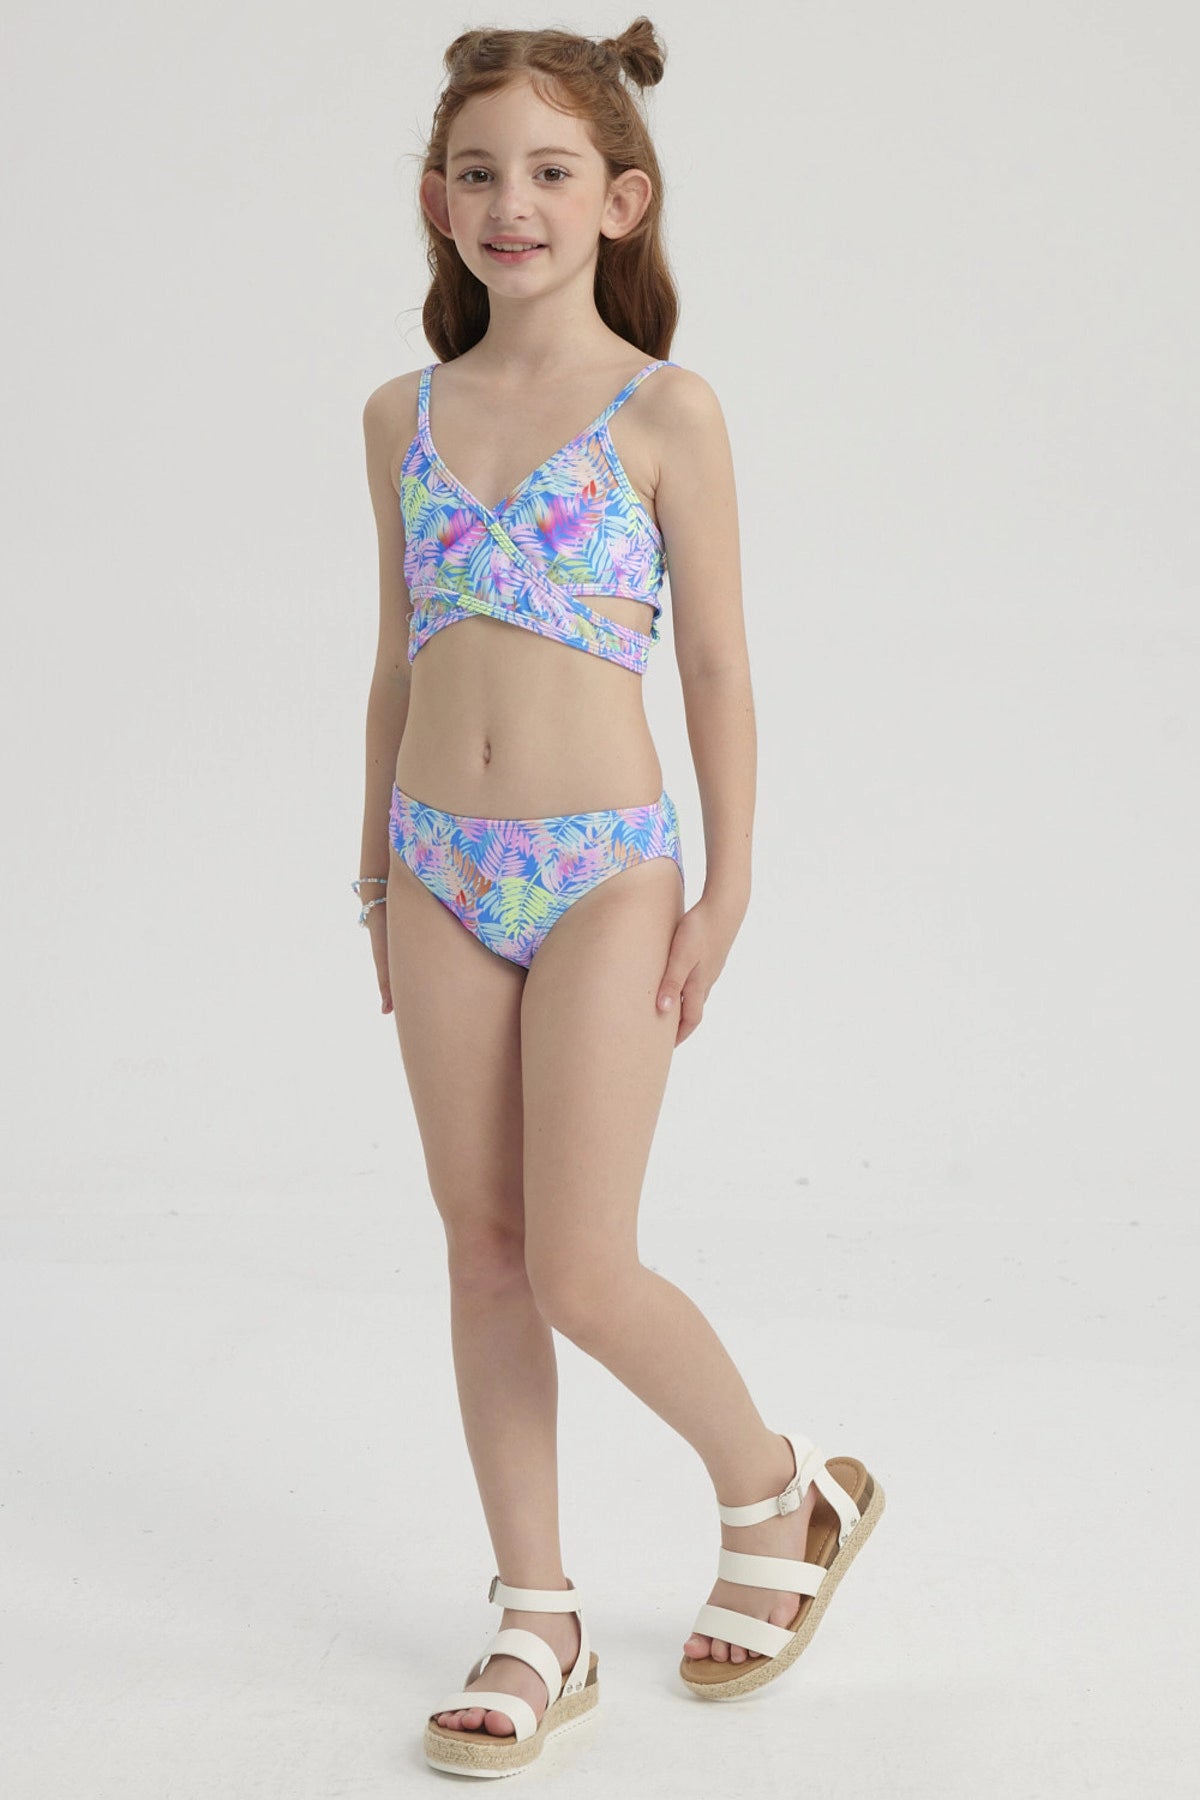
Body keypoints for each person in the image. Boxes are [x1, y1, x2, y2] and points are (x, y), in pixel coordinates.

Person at [355, 17, 884, 1779]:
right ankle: (538, 1614)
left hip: (604, 874)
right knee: (484, 1252)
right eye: (479, 173)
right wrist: (374, 868)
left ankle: (776, 1493)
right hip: (436, 870)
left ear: (619, 200)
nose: (512, 202)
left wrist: (728, 892)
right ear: (437, 201)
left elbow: (718, 664)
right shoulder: (401, 415)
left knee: (582, 1262)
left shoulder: (668, 410)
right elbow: (394, 659)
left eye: (550, 171)